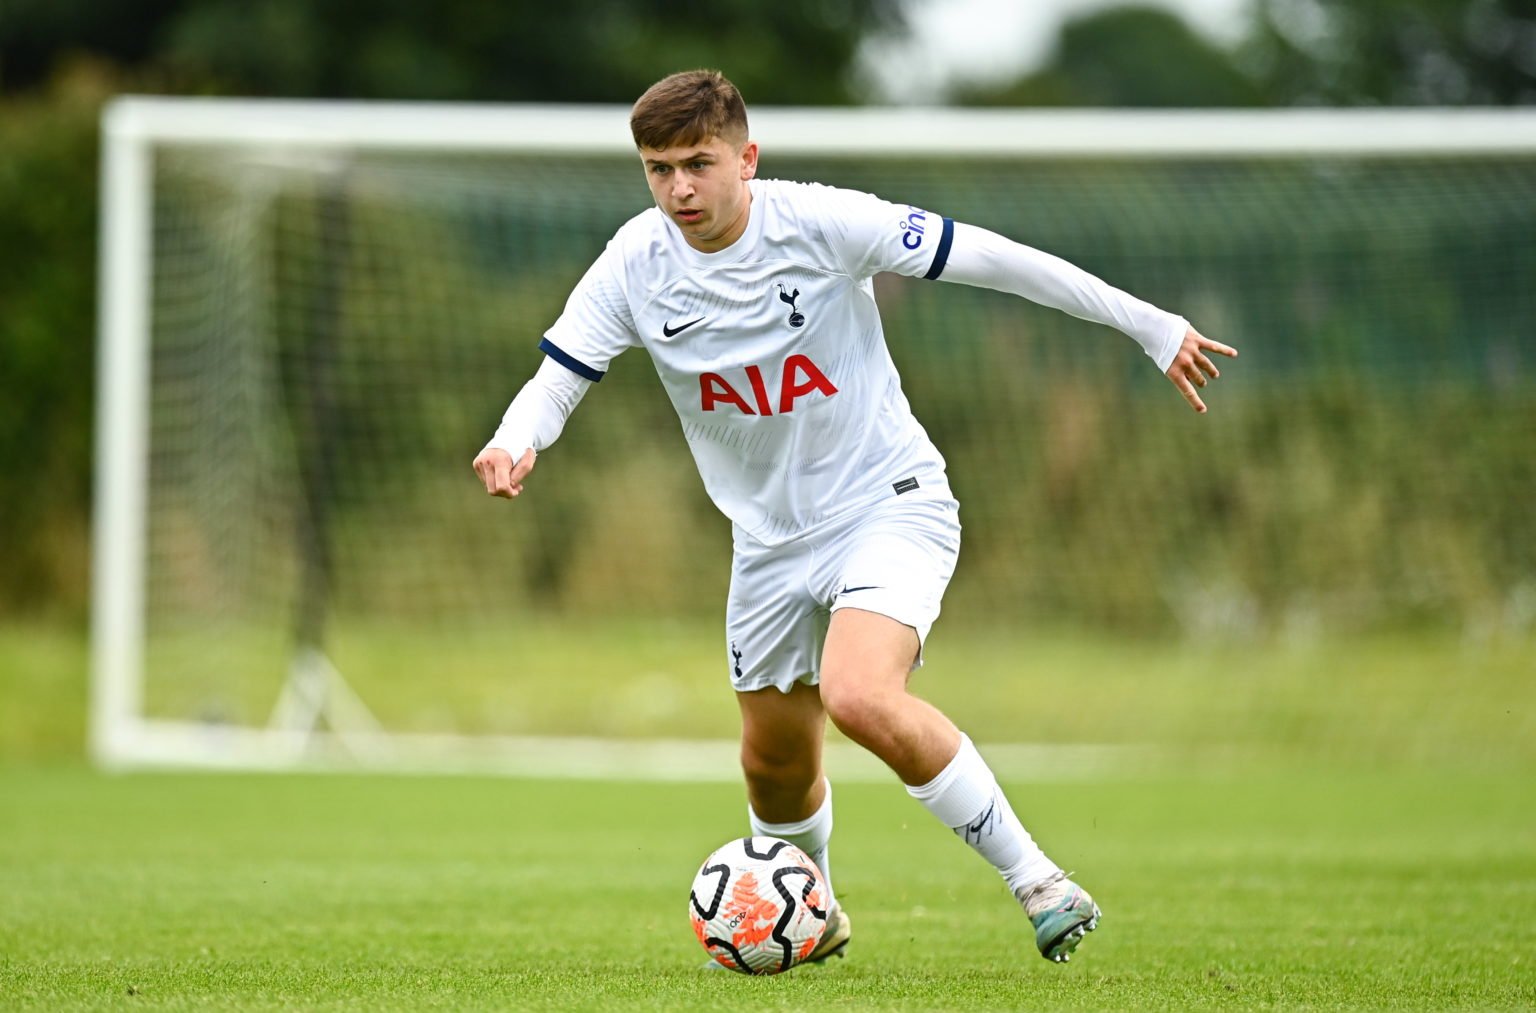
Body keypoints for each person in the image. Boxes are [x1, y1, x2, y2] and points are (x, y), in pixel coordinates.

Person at [473, 69, 1236, 966]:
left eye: (698, 163)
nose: (678, 188)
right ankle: (814, 912)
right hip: (765, 543)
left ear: (747, 158)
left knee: (862, 695)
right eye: (657, 168)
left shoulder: (822, 222)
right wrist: (516, 437)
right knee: (773, 762)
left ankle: (1040, 880)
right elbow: (564, 371)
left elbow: (994, 258)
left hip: (888, 504)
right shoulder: (637, 262)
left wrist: (1149, 325)